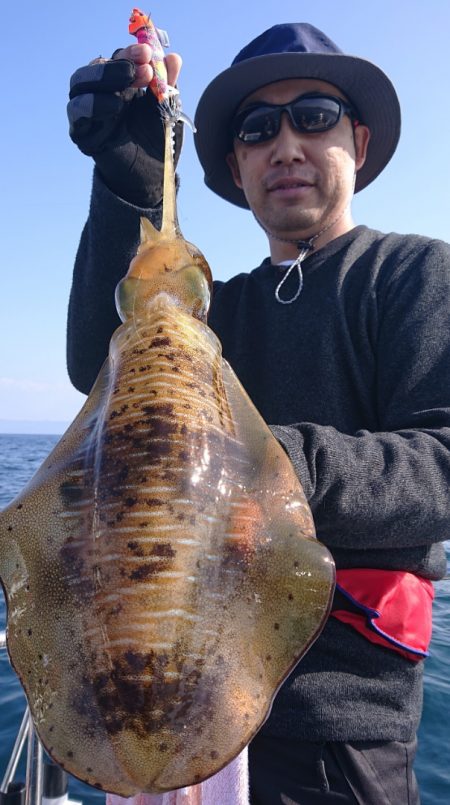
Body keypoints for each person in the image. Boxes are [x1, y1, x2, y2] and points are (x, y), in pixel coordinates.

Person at [66, 22, 450, 805]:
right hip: (171, 682)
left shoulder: (413, 274)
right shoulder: (215, 316)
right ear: (236, 166)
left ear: (360, 140)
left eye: (314, 115)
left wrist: (275, 463)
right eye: (255, 129)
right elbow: (98, 364)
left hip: (334, 736)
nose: (285, 145)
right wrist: (126, 185)